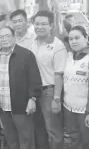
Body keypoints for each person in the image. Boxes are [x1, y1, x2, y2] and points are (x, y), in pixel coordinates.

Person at [0, 26, 42, 149]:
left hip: (21, 106)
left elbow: (34, 79)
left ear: (14, 37)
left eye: (7, 36)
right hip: (2, 106)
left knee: (26, 139)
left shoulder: (26, 55)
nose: (4, 39)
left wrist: (32, 99)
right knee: (10, 138)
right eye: (1, 37)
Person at [10, 9, 49, 149]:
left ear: (26, 21)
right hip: (18, 89)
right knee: (23, 125)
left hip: (35, 85)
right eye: (14, 22)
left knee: (39, 123)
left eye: (20, 21)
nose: (17, 24)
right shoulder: (11, 37)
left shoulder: (34, 38)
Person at [31, 11, 66, 149]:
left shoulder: (57, 46)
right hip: (35, 93)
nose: (39, 27)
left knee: (54, 130)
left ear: (51, 26)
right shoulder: (33, 43)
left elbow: (59, 74)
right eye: (37, 24)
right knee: (39, 128)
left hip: (49, 92)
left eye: (43, 24)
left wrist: (56, 98)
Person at [63, 25, 89, 149]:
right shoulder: (68, 56)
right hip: (68, 107)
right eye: (70, 39)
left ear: (86, 38)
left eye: (77, 38)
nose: (73, 41)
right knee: (74, 139)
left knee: (88, 141)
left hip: (85, 109)